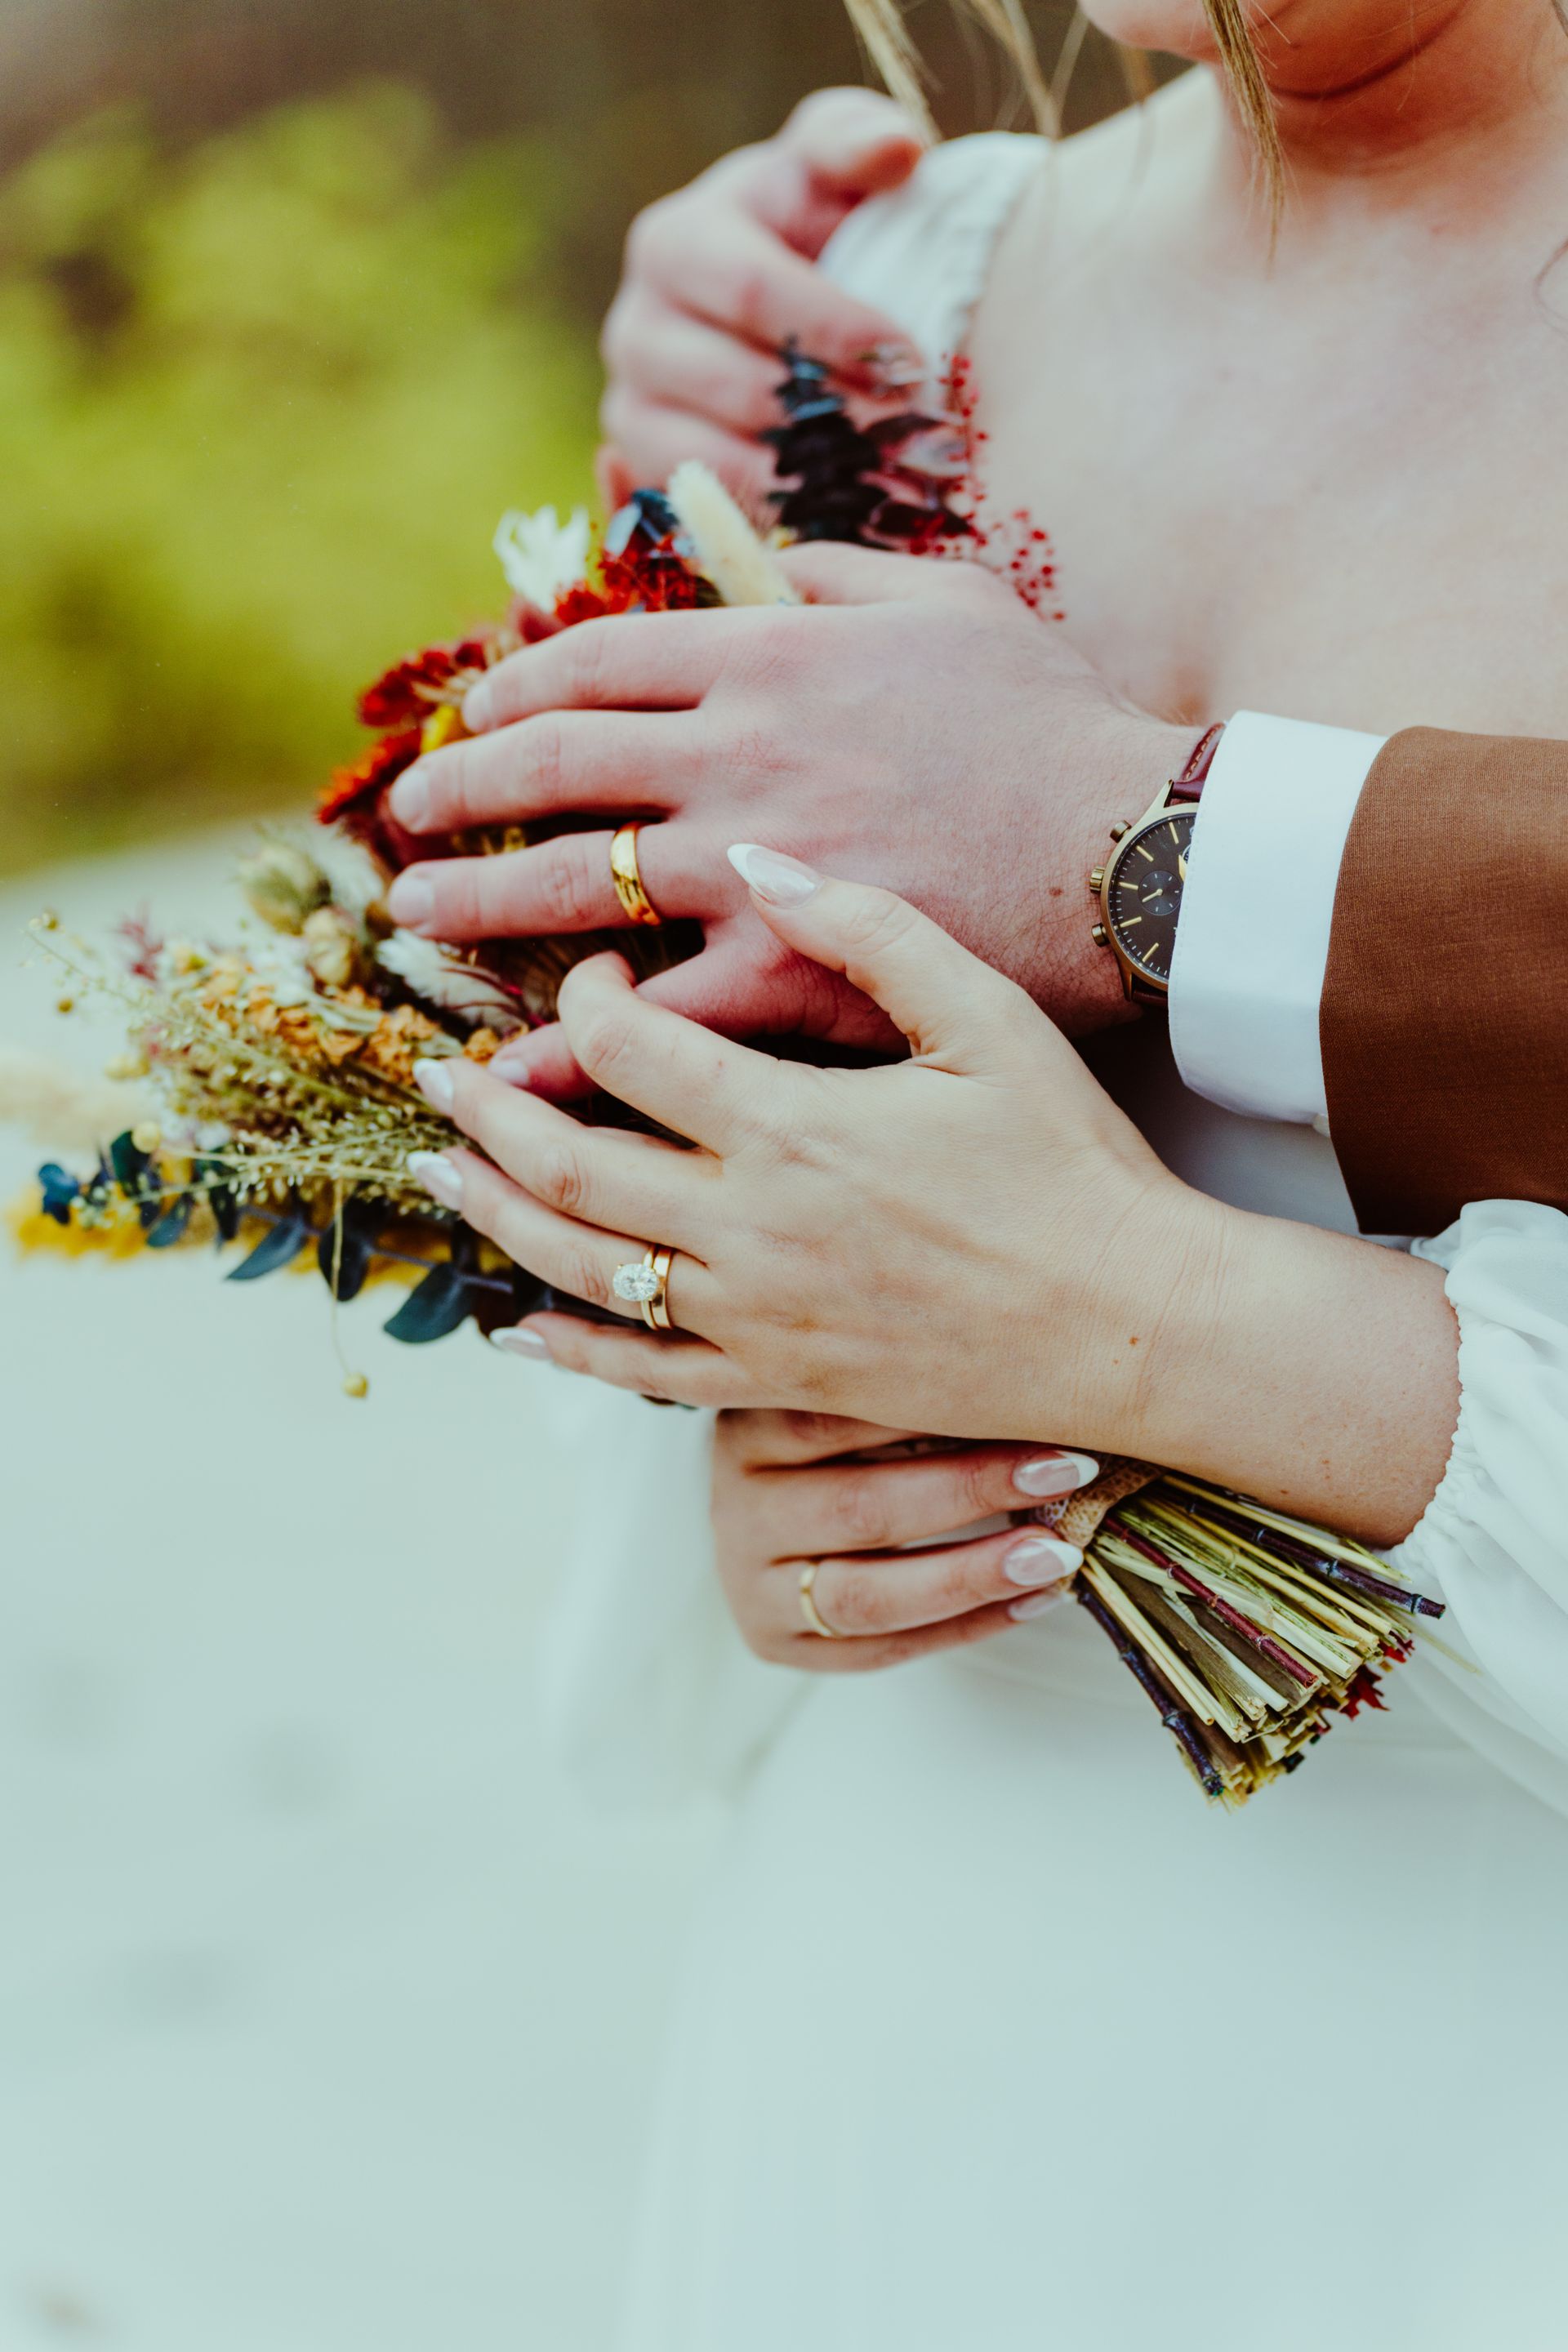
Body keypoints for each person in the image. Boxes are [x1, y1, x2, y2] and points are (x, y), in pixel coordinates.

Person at [415, 8, 1568, 2345]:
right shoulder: (887, 294)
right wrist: (757, 1428)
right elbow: (665, 1131)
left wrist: (1144, 1321)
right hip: (910, 2048)